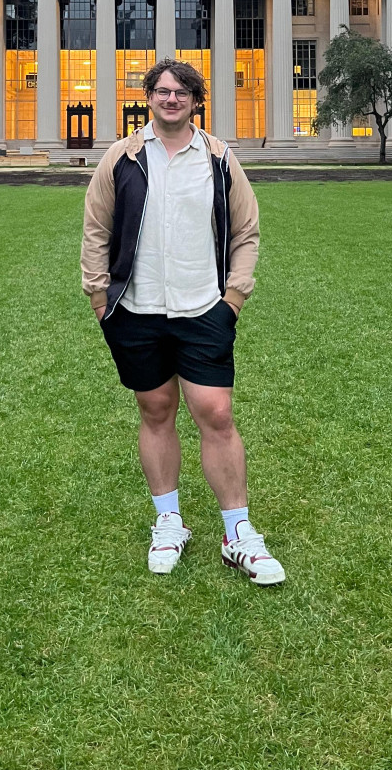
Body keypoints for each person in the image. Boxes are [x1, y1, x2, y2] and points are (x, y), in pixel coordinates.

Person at [81, 57, 285, 586]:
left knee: (215, 412)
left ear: (196, 101)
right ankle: (168, 521)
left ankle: (237, 534)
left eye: (181, 92)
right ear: (148, 97)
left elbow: (247, 230)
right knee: (155, 409)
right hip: (136, 308)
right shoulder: (121, 158)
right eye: (162, 91)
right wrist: (100, 296)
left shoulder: (218, 158)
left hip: (203, 307)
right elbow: (96, 229)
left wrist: (234, 296)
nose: (170, 99)